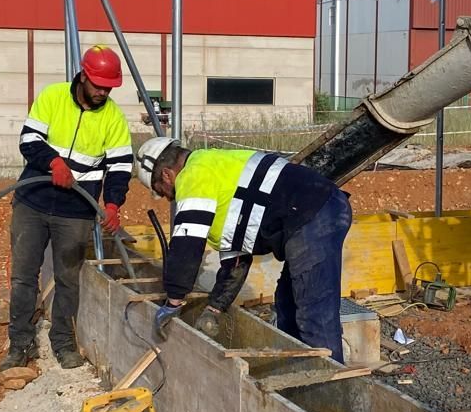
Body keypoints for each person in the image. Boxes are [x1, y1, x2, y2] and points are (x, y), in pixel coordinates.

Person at [135, 138, 353, 360]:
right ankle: (298, 371)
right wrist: (215, 308)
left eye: (161, 191)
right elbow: (236, 262)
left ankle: (329, 376)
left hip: (314, 213)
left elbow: (186, 246)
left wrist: (173, 301)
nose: (167, 198)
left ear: (166, 175)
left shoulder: (193, 175)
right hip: (316, 210)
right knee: (288, 305)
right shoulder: (215, 169)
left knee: (314, 314)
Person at [3, 45, 134, 371]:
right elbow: (29, 140)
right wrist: (53, 162)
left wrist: (113, 203)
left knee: (68, 280)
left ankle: (63, 343)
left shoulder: (113, 118)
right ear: (84, 76)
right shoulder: (53, 97)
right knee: (23, 278)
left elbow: (119, 166)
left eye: (109, 87)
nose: (103, 92)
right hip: (33, 202)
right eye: (99, 85)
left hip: (76, 210)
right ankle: (19, 345)